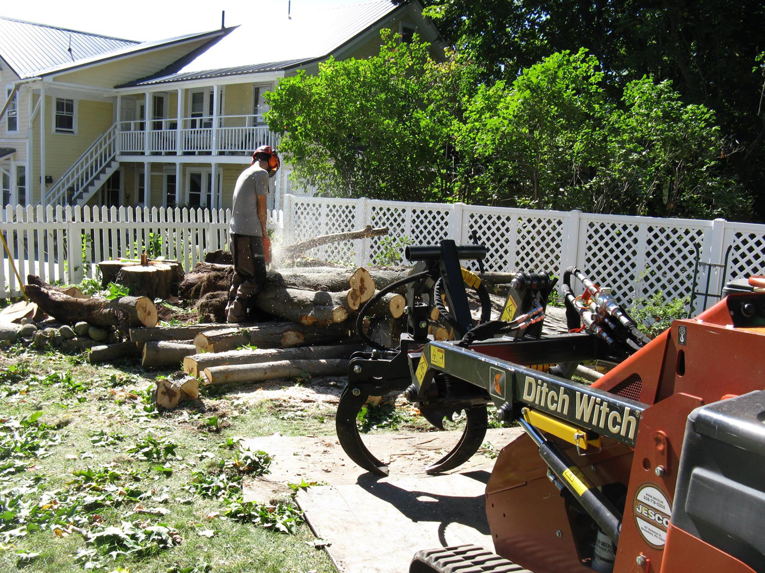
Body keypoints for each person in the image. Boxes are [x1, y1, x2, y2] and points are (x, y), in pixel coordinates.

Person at [225, 145, 280, 323]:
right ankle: (237, 315)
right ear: (271, 160)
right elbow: (261, 206)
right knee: (256, 277)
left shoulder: (245, 173)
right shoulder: (261, 174)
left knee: (241, 274)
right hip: (249, 233)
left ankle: (230, 311)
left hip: (236, 231)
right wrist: (264, 233)